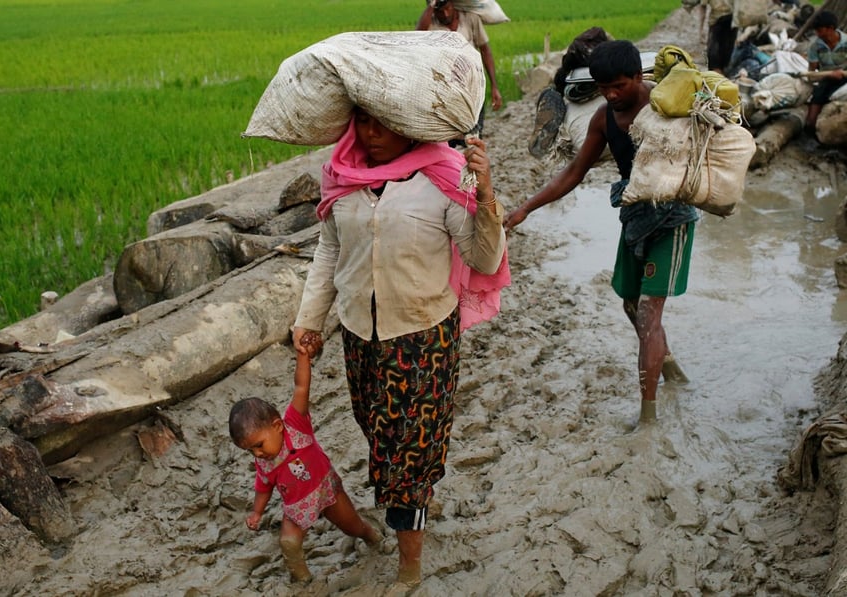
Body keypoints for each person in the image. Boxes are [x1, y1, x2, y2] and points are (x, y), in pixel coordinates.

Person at [291, 108, 508, 586]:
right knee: (379, 436)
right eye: (363, 123)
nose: (372, 134)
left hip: (423, 338)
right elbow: (329, 250)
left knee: (411, 456)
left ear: (410, 126)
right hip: (360, 338)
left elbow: (483, 256)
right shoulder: (341, 179)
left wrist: (486, 193)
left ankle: (410, 566)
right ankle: (406, 507)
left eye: (384, 124)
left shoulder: (444, 178)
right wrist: (309, 319)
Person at [504, 40, 695, 426]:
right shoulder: (603, 119)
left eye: (619, 86)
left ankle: (649, 418)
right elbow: (574, 173)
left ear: (638, 78)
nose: (611, 94)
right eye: (604, 87)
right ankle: (668, 364)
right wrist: (525, 208)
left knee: (647, 313)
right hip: (635, 213)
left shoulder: (666, 107)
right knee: (629, 303)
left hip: (673, 218)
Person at [228, 331, 381, 583]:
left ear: (277, 426)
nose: (257, 453)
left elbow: (301, 387)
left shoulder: (295, 424)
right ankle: (303, 580)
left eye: (258, 445)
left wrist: (303, 356)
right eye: (250, 450)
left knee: (352, 526)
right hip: (296, 506)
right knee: (288, 542)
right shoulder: (264, 462)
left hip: (325, 490)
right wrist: (257, 513)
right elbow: (263, 487)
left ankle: (370, 535)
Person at [417, 0, 504, 135]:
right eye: (440, 11)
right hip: (445, 92)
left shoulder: (470, 18)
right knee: (447, 136)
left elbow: (485, 51)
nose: (445, 14)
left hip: (471, 89)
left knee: (473, 135)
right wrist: (431, 5)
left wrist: (494, 87)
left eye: (447, 8)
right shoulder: (432, 23)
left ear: (453, 5)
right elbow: (418, 35)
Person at [804, 10, 847, 134]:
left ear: (831, 28)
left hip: (845, 77)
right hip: (826, 78)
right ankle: (810, 126)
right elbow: (812, 74)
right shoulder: (815, 47)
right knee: (819, 94)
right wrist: (829, 74)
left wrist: (842, 73)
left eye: (819, 30)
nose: (817, 34)